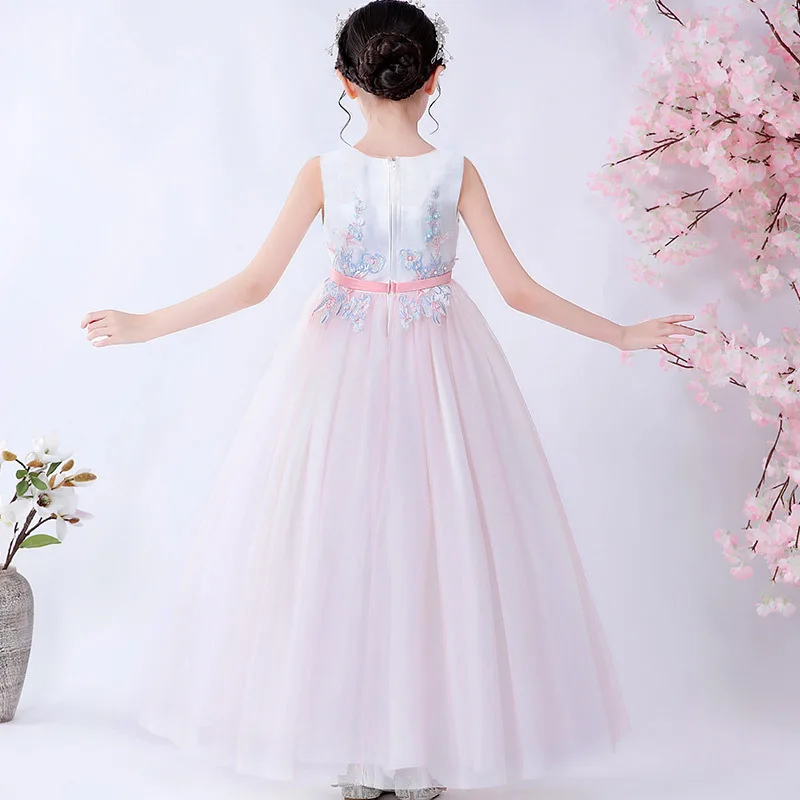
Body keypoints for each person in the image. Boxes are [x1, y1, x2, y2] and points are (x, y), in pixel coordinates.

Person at [80, 2, 694, 798]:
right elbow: (517, 291)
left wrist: (144, 324)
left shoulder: (323, 172)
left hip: (336, 369)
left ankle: (364, 753)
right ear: (434, 78)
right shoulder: (457, 170)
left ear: (346, 80)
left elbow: (254, 285)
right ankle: (413, 754)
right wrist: (620, 334)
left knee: (340, 543)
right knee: (437, 545)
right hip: (442, 368)